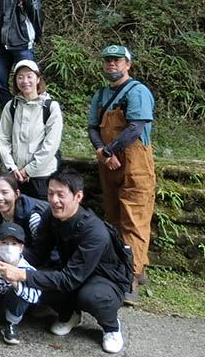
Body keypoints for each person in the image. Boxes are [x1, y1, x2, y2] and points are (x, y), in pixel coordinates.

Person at [0, 168, 129, 354]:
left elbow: (69, 279)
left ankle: (112, 328)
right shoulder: (50, 215)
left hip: (104, 280)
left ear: (78, 196)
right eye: (50, 194)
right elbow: (39, 254)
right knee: (38, 278)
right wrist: (7, 256)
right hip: (71, 271)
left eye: (60, 195)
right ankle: (69, 314)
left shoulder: (95, 233)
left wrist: (22, 274)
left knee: (91, 296)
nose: (54, 200)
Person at [87, 45, 155, 304]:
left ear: (128, 64)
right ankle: (130, 266)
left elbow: (136, 127)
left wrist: (110, 150)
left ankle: (132, 278)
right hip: (109, 164)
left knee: (134, 220)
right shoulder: (102, 95)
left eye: (117, 61)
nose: (111, 65)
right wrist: (102, 150)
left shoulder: (138, 92)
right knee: (114, 217)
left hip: (135, 164)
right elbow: (93, 127)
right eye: (107, 61)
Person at [0, 60, 62, 200]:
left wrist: (28, 170)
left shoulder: (50, 107)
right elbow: (3, 139)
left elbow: (51, 145)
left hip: (41, 175)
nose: (25, 81)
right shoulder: (11, 106)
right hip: (14, 175)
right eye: (20, 77)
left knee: (41, 215)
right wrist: (12, 168)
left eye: (29, 76)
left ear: (38, 79)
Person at [0, 0, 45, 109]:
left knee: (29, 81)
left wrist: (35, 36)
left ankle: (32, 110)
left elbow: (37, 15)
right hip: (3, 45)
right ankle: (9, 111)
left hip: (22, 44)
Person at [0, 173, 47, 256]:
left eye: (5, 193)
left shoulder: (33, 218)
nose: (0, 198)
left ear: (16, 194)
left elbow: (42, 251)